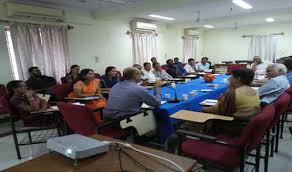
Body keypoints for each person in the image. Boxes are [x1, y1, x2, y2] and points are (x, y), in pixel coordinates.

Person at [201, 69, 260, 136]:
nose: (229, 79)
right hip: (247, 122)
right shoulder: (254, 91)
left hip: (231, 125)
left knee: (198, 112)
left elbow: (218, 110)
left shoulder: (233, 93)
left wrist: (202, 109)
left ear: (238, 79)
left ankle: (198, 134)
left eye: (231, 77)